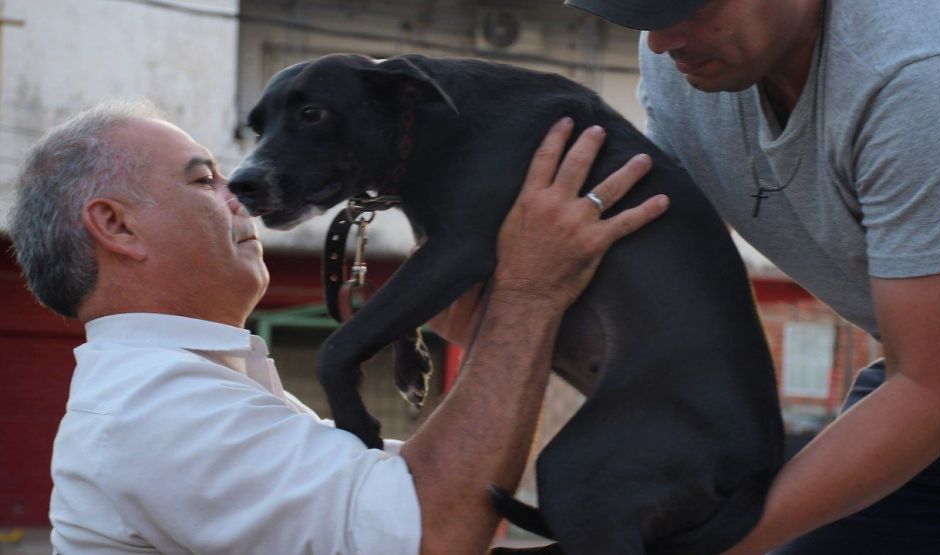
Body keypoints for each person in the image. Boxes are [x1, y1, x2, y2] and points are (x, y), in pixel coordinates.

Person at [9, 100, 668, 554]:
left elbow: (407, 492)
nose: (237, 194)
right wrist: (529, 291)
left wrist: (500, 317)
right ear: (116, 226)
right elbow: (433, 528)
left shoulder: (180, 386)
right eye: (205, 179)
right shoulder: (153, 408)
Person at [560, 0, 940, 553]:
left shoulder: (922, 73)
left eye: (683, 6)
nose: (661, 41)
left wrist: (719, 543)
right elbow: (655, 283)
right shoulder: (685, 63)